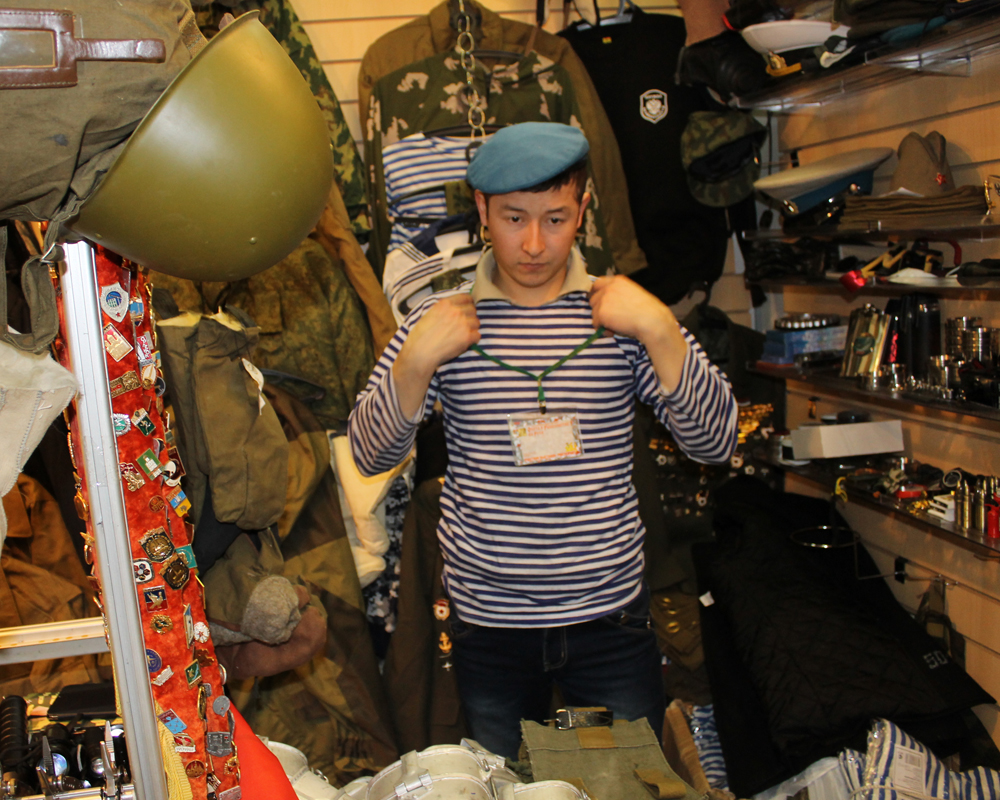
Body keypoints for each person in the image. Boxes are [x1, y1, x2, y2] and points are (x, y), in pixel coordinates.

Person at [349, 122, 737, 759]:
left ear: (583, 209)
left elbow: (715, 444)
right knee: (510, 786)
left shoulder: (622, 313)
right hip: (489, 629)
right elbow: (370, 456)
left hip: (610, 621)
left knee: (626, 787)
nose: (533, 244)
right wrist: (415, 362)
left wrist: (661, 329)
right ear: (481, 210)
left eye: (555, 219)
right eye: (513, 218)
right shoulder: (440, 321)